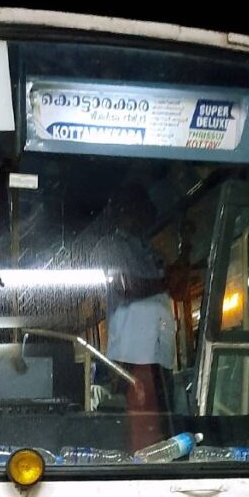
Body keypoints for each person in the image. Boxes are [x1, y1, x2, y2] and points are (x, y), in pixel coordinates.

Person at [91, 185, 176, 448]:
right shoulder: (108, 247)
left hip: (160, 356)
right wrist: (165, 282)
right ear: (126, 209)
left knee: (162, 425)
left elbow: (172, 285)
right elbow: (125, 286)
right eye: (143, 204)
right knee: (138, 429)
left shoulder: (149, 250)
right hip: (132, 356)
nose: (149, 211)